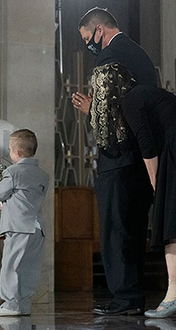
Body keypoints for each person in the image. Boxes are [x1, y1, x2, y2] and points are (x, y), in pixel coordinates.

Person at [71, 7, 156, 316]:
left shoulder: (109, 60)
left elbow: (109, 122)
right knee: (133, 230)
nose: (87, 45)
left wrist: (92, 113)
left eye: (86, 38)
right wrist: (94, 108)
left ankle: (125, 298)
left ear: (99, 31)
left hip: (117, 159)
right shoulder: (139, 54)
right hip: (143, 157)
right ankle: (133, 296)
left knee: (115, 230)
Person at [119, 80, 176, 318]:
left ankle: (173, 295)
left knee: (171, 223)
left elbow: (146, 144)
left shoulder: (128, 101)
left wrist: (155, 182)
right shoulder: (152, 95)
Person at [0, 129, 49, 316]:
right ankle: (24, 304)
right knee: (29, 266)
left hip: (18, 226)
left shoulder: (13, 172)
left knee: (11, 264)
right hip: (37, 227)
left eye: (10, 150)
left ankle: (11, 304)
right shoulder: (42, 174)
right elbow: (25, 197)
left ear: (17, 153)